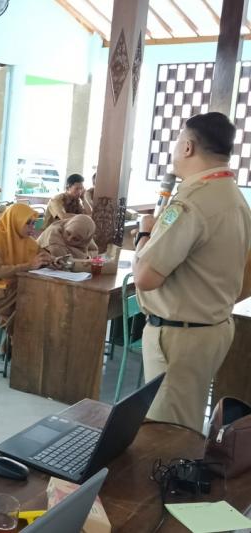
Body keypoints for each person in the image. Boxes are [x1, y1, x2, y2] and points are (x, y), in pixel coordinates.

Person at [133, 112, 251, 433]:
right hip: (212, 327)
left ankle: (177, 467)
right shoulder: (234, 197)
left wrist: (144, 233)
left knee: (168, 429)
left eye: (177, 143)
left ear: (187, 147)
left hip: (180, 337)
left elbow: (145, 278)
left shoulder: (191, 204)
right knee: (187, 415)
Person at [0, 204, 51, 336]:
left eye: (33, 223)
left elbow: (42, 255)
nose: (32, 227)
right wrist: (29, 265)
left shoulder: (26, 240)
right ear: (15, 221)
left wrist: (53, 261)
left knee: (34, 293)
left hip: (8, 285)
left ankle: (19, 340)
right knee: (29, 295)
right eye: (27, 223)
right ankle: (19, 340)